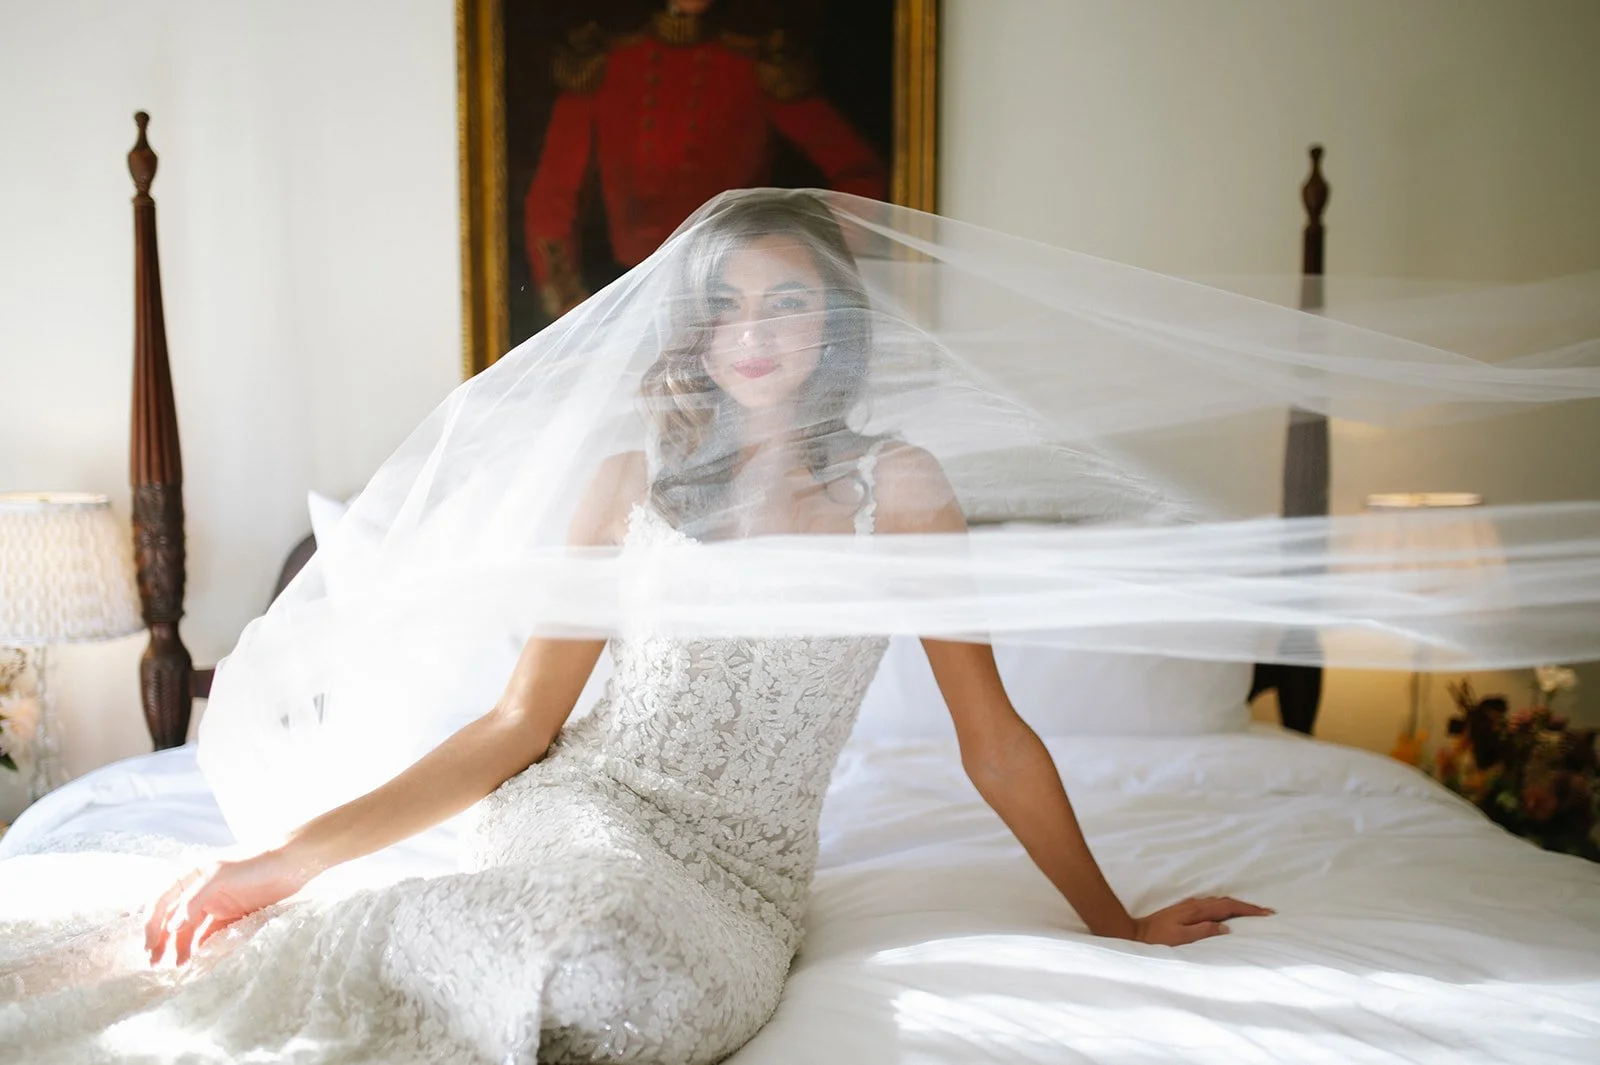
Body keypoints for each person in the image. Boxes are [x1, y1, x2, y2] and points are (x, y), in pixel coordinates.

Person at [133, 192, 1271, 1064]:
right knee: (583, 919)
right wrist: (277, 867)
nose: (752, 333)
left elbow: (993, 739)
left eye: (785, 301)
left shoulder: (901, 490)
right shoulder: (631, 483)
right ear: (695, 336)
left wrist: (1112, 922)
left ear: (834, 324)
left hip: (742, 881)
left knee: (645, 997)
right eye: (723, 307)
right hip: (579, 811)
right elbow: (518, 724)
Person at [524, 0, 887, 318]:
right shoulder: (604, 65)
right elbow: (553, 197)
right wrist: (569, 307)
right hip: (627, 296)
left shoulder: (759, 69)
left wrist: (806, 266)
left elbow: (858, 174)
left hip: (731, 302)